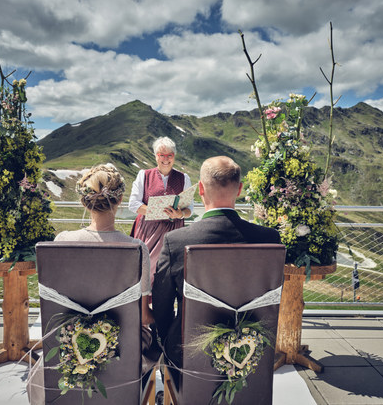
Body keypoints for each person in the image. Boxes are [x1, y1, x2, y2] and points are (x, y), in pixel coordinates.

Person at [152, 156, 281, 367]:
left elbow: (161, 306)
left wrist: (171, 341)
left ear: (200, 189)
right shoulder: (269, 238)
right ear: (239, 190)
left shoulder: (176, 242)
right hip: (252, 351)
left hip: (187, 353)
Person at [55, 163, 154, 326]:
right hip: (123, 344)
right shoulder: (137, 248)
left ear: (83, 202)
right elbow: (143, 318)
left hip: (72, 343)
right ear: (120, 199)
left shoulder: (62, 241)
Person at [128, 136, 194, 286]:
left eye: (169, 155)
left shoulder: (184, 178)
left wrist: (180, 214)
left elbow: (190, 208)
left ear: (174, 157)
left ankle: (164, 307)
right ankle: (145, 305)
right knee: (145, 269)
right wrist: (156, 210)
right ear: (156, 156)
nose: (166, 159)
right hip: (148, 230)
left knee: (168, 274)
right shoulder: (143, 175)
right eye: (161, 155)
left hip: (174, 231)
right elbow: (133, 204)